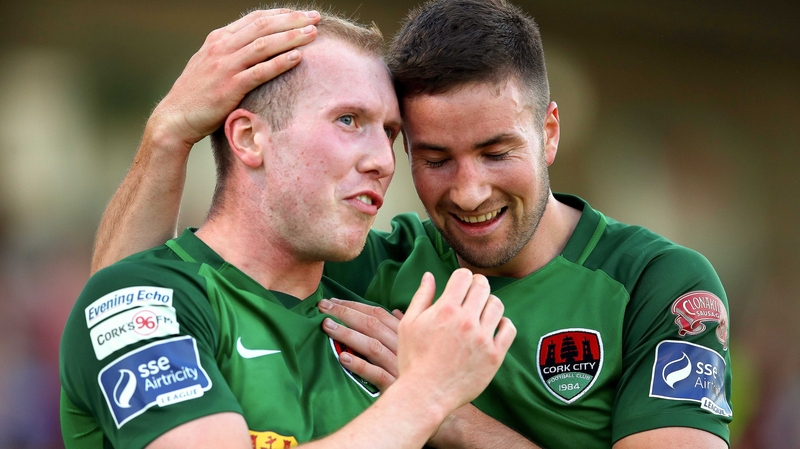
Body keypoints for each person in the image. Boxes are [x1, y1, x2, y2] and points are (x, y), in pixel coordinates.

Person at [90, 0, 734, 448]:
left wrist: (445, 410)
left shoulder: (655, 283)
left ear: (549, 132)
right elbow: (124, 315)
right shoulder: (372, 269)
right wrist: (168, 134)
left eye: (496, 152)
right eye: (435, 159)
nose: (469, 191)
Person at [59, 8, 517, 449]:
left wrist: (447, 412)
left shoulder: (382, 323)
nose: (383, 161)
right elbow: (118, 288)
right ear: (249, 138)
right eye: (348, 120)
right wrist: (427, 396)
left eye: (390, 133)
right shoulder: (152, 299)